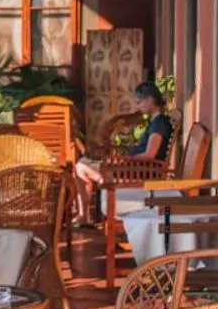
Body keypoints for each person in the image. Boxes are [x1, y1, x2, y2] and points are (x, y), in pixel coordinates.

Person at [73, 81, 174, 225]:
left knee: (81, 167)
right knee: (82, 164)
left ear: (150, 100)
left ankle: (101, 182)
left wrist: (126, 159)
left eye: (139, 102)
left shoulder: (159, 124)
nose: (137, 106)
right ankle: (86, 213)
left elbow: (150, 155)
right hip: (133, 167)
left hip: (138, 170)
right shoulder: (155, 121)